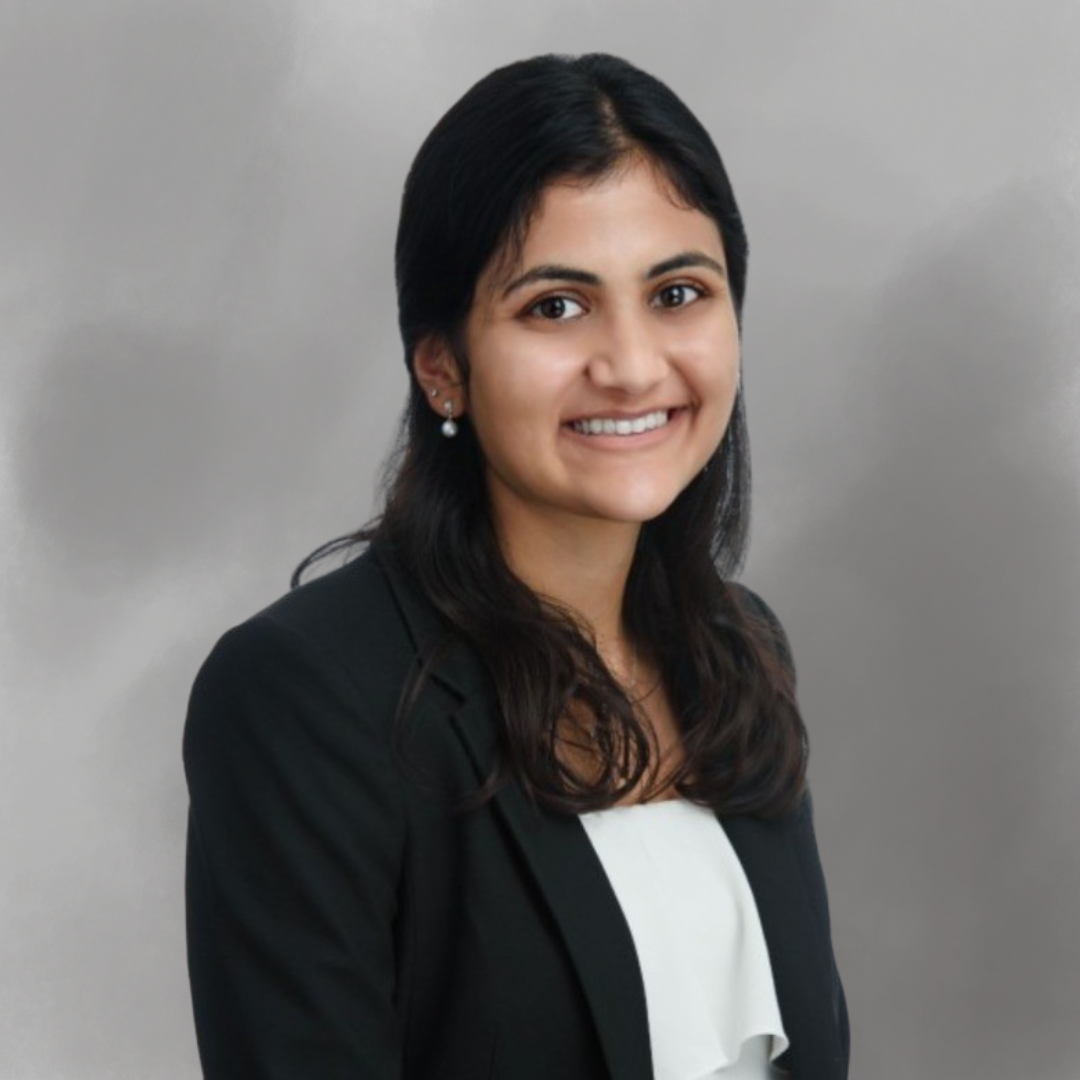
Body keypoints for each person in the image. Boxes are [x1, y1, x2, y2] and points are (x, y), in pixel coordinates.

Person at [182, 52, 849, 1080]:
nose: (632, 364)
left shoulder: (739, 647)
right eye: (556, 307)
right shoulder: (305, 696)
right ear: (440, 364)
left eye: (678, 292)